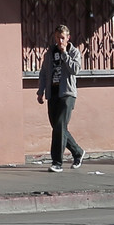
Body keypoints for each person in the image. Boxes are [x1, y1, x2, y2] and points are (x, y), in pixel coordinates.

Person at [37, 24, 84, 171]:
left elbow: (75, 69)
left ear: (68, 38)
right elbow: (44, 73)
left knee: (59, 126)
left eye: (62, 38)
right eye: (57, 37)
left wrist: (65, 54)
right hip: (53, 93)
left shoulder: (74, 52)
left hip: (67, 93)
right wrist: (40, 91)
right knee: (57, 126)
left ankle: (57, 162)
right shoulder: (49, 53)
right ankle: (78, 152)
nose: (59, 41)